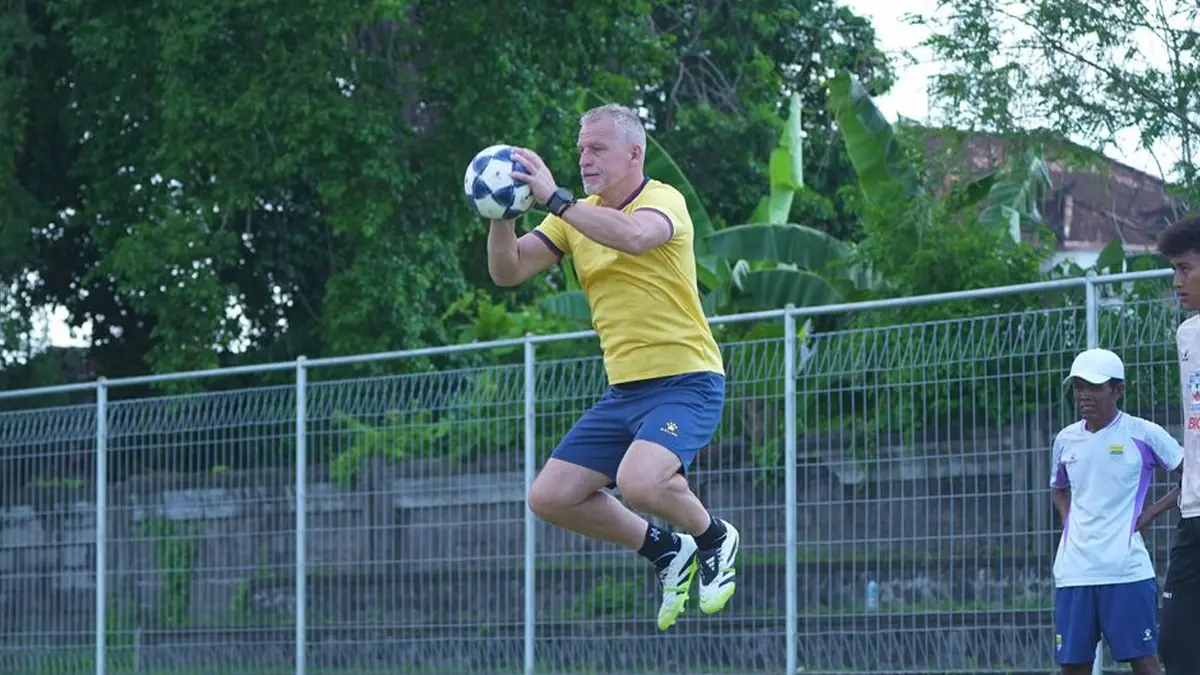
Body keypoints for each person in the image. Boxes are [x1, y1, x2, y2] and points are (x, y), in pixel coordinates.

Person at [485, 103, 739, 631]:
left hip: (686, 380)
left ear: (634, 152)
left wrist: (555, 198)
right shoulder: (571, 218)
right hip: (624, 392)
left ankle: (715, 537)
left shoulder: (662, 199)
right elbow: (508, 272)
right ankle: (667, 551)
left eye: (597, 148)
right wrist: (502, 214)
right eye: (581, 149)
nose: (585, 158)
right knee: (550, 498)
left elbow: (634, 237)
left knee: (641, 482)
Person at [1049, 348, 1183, 675]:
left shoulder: (1143, 433)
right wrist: (1069, 522)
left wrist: (1150, 513)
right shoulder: (1065, 440)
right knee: (1072, 667)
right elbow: (1058, 488)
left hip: (1126, 572)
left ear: (1117, 390)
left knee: (1145, 665)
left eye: (1094, 387)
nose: (1084, 395)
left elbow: (1191, 477)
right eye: (1078, 386)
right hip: (1074, 574)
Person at [1154, 212, 1200, 672]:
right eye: (1173, 270)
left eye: (1185, 268)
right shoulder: (1187, 334)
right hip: (1194, 513)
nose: (1176, 281)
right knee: (1176, 642)